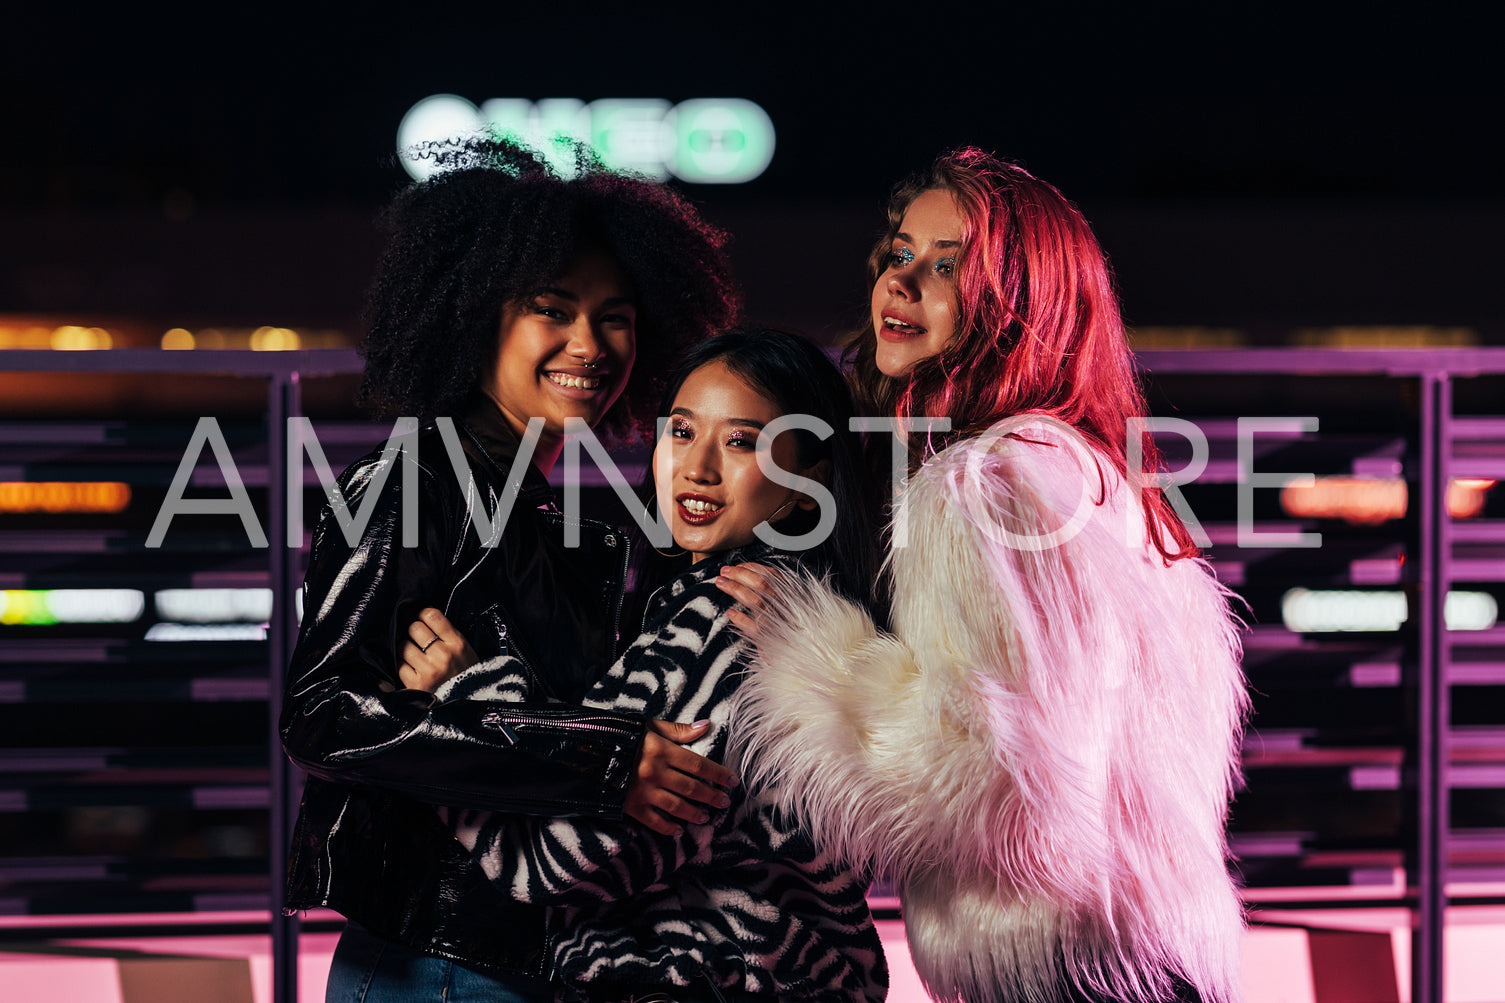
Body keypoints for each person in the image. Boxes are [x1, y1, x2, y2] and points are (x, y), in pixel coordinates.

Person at [716, 150, 1250, 1003]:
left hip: (1059, 965)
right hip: (1138, 946)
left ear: (1017, 301)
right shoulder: (1085, 468)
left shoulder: (982, 484)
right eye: (898, 254)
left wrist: (807, 646)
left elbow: (987, 782)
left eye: (947, 266)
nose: (902, 285)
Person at [279, 138, 740, 1002]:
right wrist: (599, 761)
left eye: (616, 315)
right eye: (552, 309)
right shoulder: (411, 481)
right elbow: (323, 715)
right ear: (477, 313)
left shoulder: (551, 513)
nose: (590, 343)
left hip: (526, 956)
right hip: (438, 962)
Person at [402, 329, 888, 1003]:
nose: (698, 467)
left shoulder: (726, 622)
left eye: (741, 441)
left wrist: (466, 704)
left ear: (808, 488)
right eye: (682, 431)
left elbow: (559, 864)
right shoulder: (801, 616)